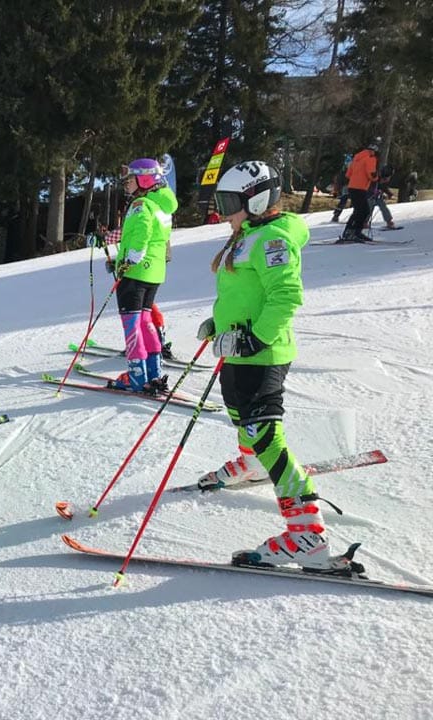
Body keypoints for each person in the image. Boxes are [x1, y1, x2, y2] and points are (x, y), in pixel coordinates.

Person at [196, 160, 351, 572]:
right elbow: (246, 294)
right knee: (239, 416)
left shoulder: (271, 239)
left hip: (261, 355)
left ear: (256, 200)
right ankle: (251, 464)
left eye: (229, 204)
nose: (224, 213)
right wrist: (219, 325)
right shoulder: (248, 234)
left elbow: (286, 296)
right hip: (238, 351)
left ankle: (307, 535)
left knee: (266, 437)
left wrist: (257, 338)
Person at [108, 158, 177, 393]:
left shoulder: (141, 204)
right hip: (154, 272)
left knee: (132, 324)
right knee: (146, 321)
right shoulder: (161, 204)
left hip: (136, 271)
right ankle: (154, 373)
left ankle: (137, 376)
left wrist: (132, 257)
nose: (126, 184)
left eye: (130, 179)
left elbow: (142, 230)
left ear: (144, 179)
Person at [340, 139, 379, 242]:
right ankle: (353, 232)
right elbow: (371, 174)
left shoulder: (357, 158)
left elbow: (348, 174)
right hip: (360, 188)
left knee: (359, 210)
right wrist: (376, 177)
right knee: (364, 211)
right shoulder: (370, 158)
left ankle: (351, 232)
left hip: (352, 187)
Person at [369, 164, 398, 230]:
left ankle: (389, 222)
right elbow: (371, 186)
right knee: (370, 208)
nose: (387, 180)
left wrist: (390, 194)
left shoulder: (384, 180)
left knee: (383, 207)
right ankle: (364, 222)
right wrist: (375, 191)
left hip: (378, 196)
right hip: (370, 195)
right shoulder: (376, 178)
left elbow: (384, 187)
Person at [330, 153, 353, 222]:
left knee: (353, 201)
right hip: (346, 187)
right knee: (343, 201)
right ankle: (336, 215)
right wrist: (338, 189)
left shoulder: (352, 170)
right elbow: (340, 180)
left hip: (351, 186)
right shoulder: (343, 171)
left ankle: (353, 217)